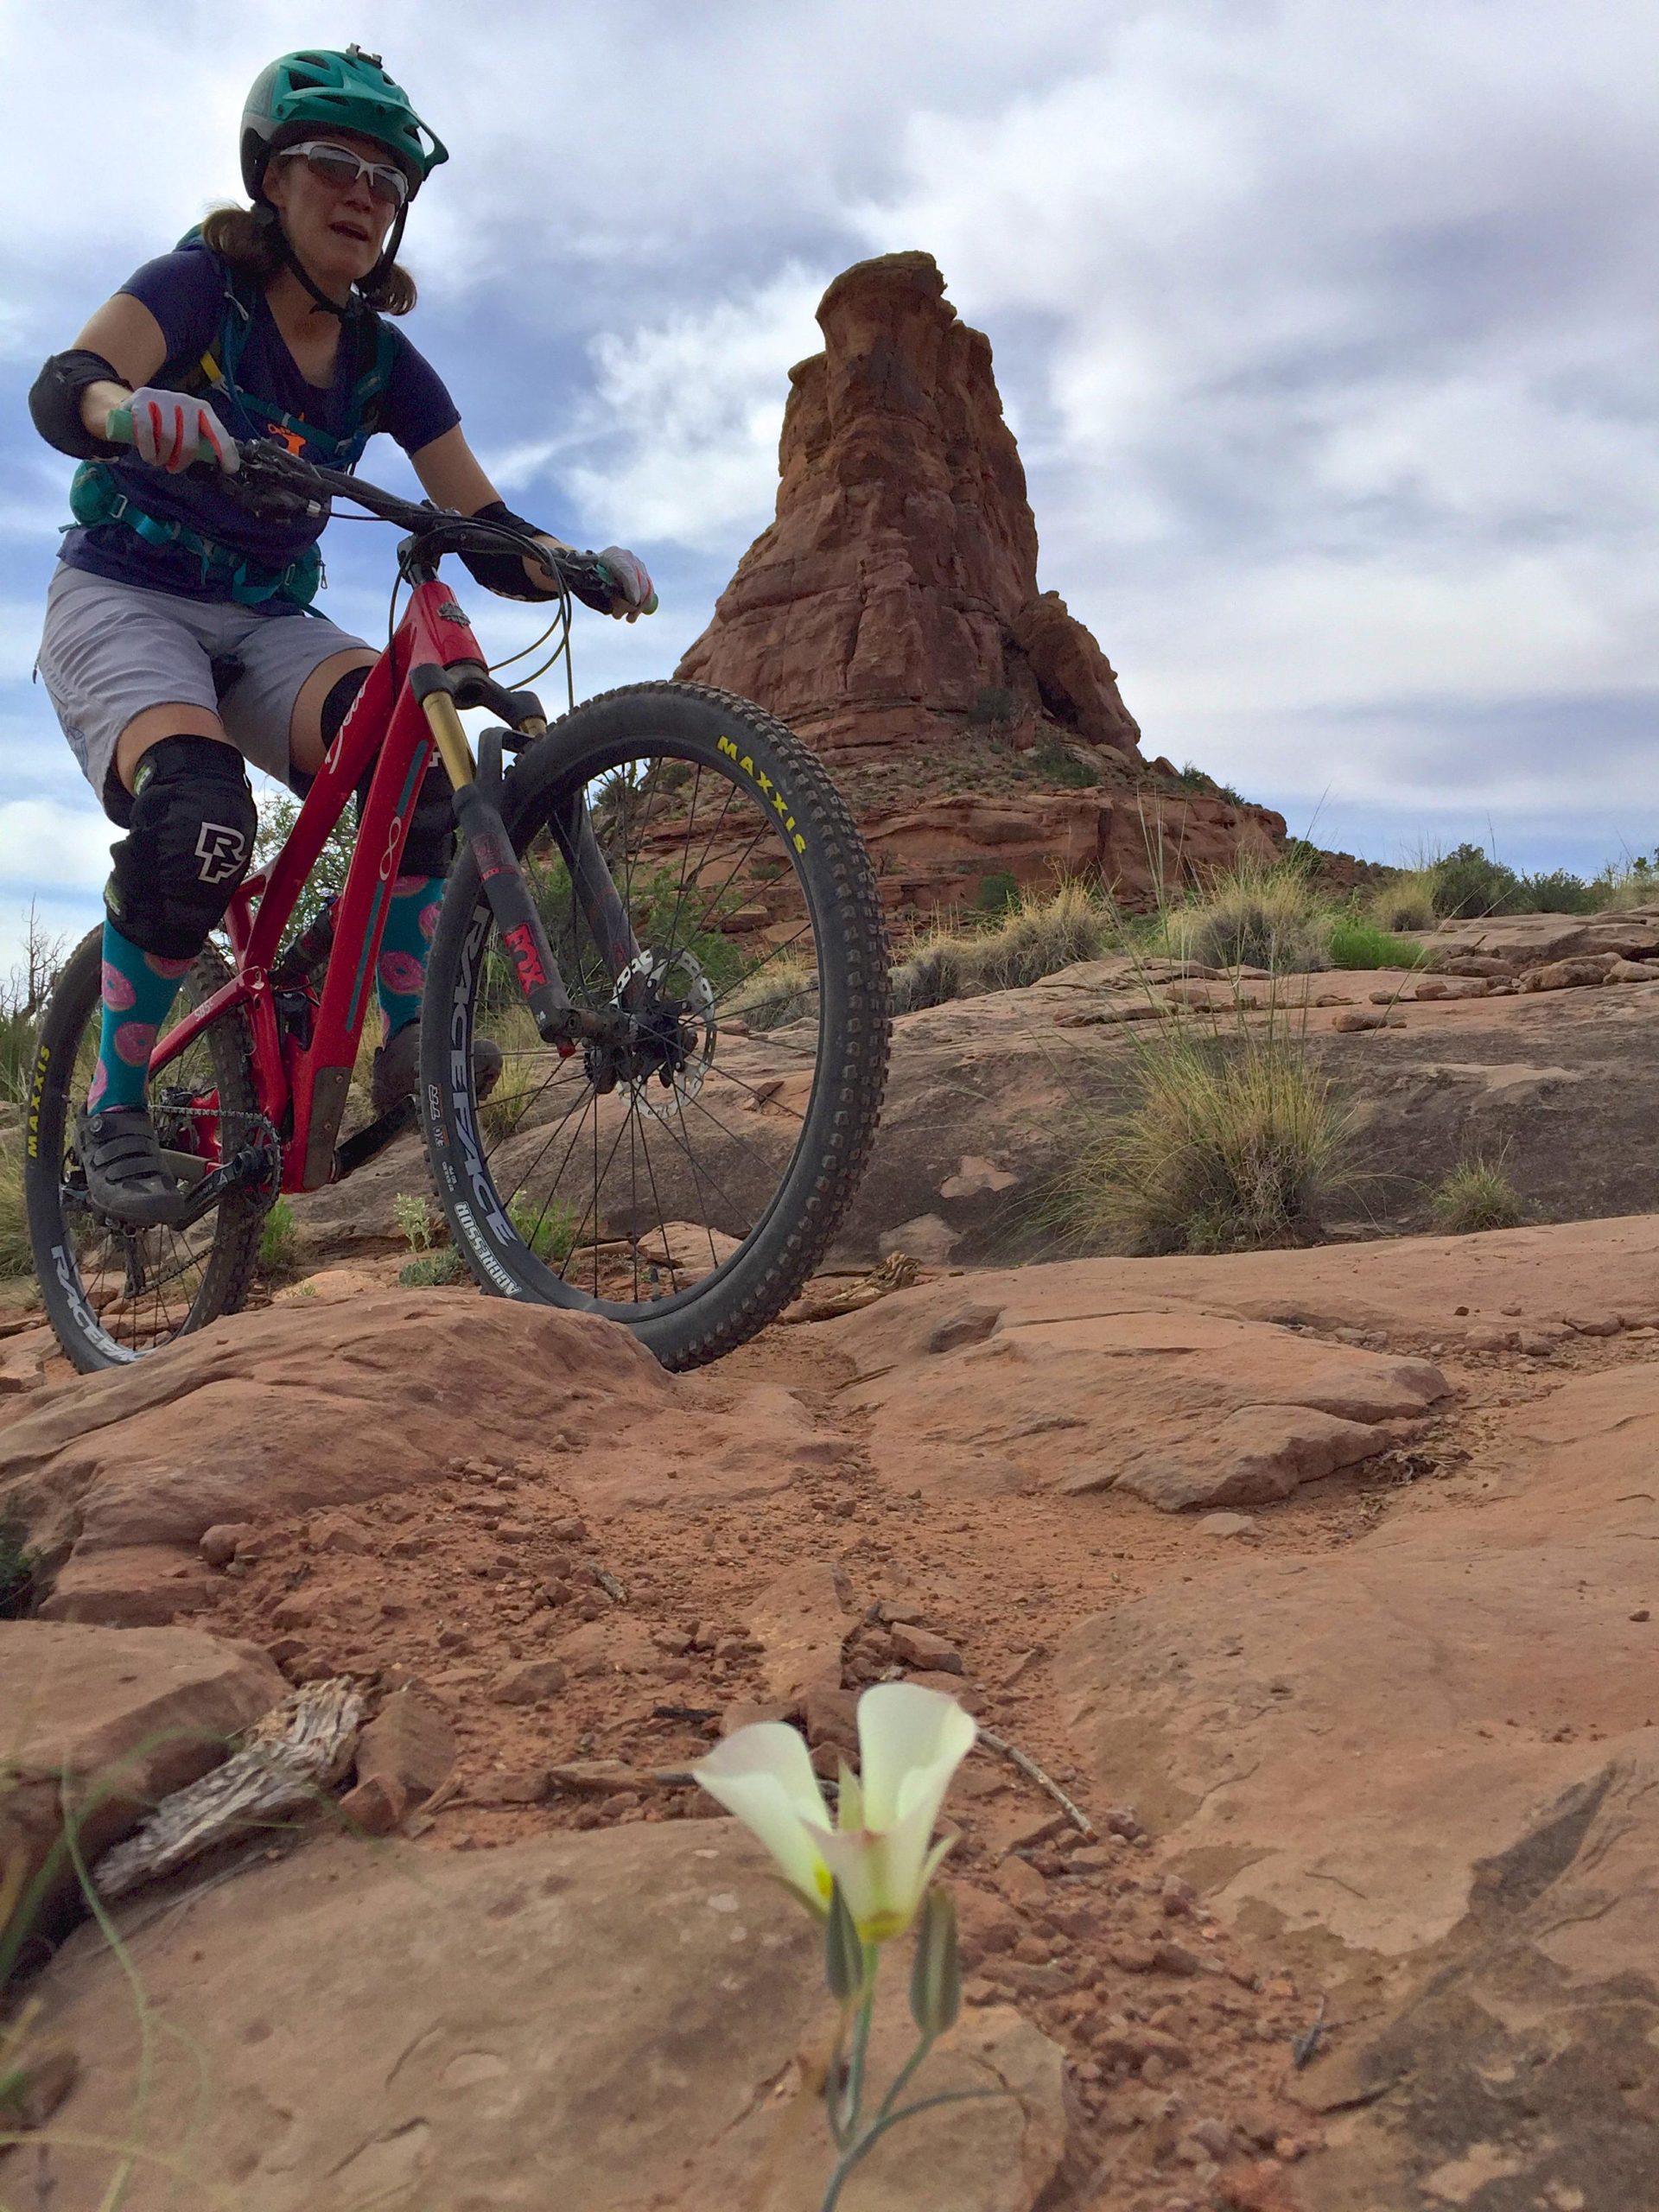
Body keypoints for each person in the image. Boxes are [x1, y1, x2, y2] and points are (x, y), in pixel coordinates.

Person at [28, 45, 654, 1225]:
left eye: (387, 178)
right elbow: (67, 387)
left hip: (267, 613)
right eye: (334, 164)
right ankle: (111, 1116)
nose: (365, 194)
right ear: (273, 178)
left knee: (417, 745)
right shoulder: (194, 291)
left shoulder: (381, 362)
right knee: (199, 817)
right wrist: (130, 408)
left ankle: (408, 1041)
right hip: (126, 593)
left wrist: (570, 563)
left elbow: (474, 516)